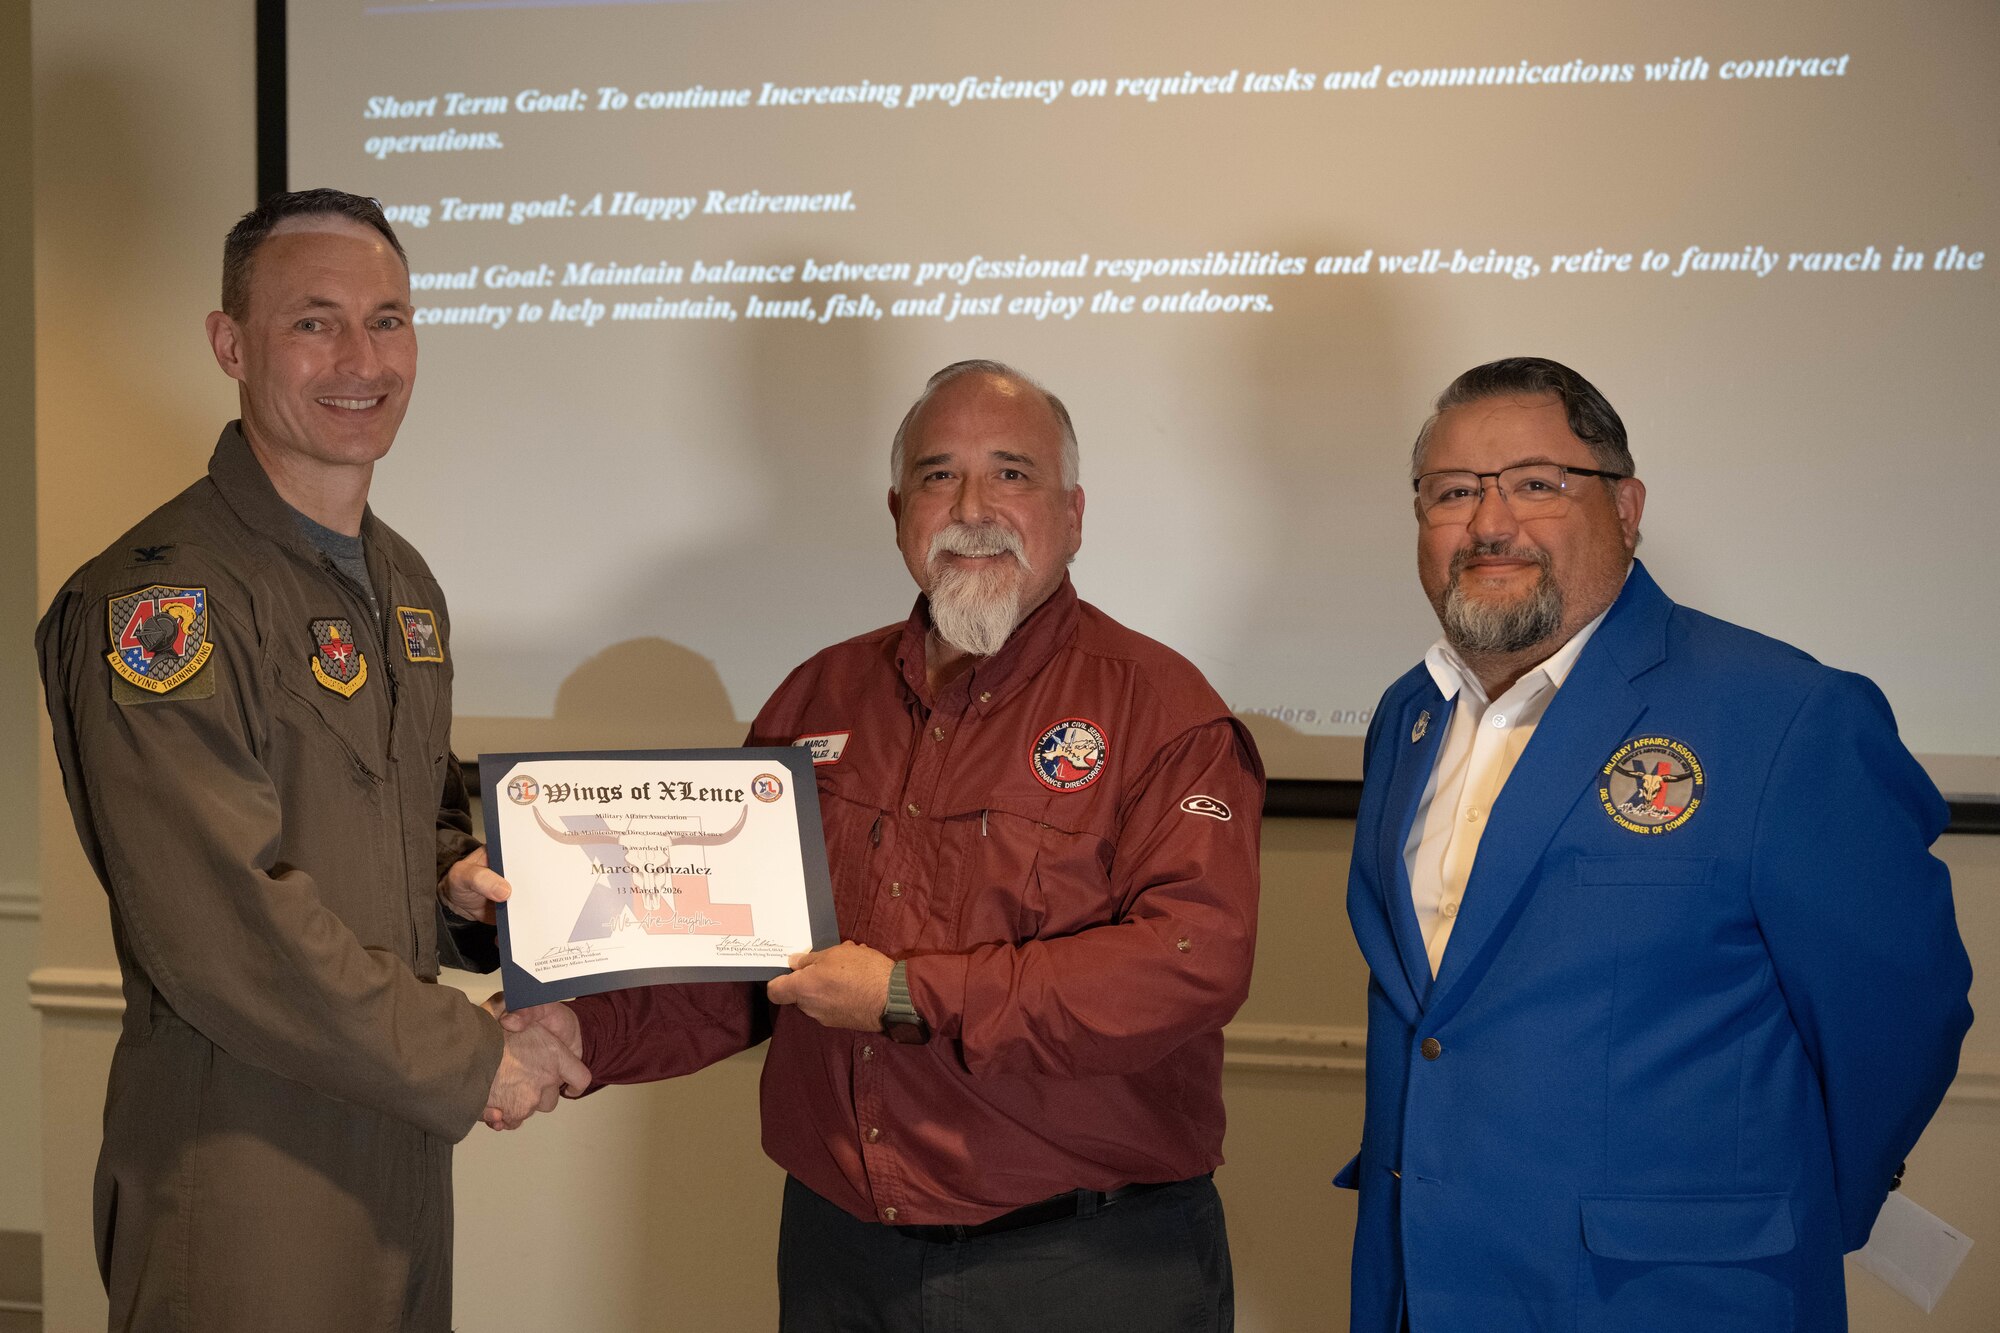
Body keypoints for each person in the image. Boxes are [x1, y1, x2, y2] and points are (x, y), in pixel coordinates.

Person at [505, 360, 1263, 1331]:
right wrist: (581, 1033)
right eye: (940, 475)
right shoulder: (815, 697)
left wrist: (910, 993)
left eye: (1012, 475)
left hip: (1081, 1267)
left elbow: (1185, 964)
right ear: (898, 506)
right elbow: (736, 958)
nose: (973, 507)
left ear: (1073, 513)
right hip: (840, 1259)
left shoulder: (1161, 710)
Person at [37, 188, 588, 1333]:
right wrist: (466, 1052)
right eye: (314, 321)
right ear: (230, 343)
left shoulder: (401, 581)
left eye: (389, 320)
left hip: (392, 1139)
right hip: (246, 1155)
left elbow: (390, 806)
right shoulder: (161, 599)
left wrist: (465, 880)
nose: (361, 358)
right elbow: (221, 923)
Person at [1338, 356, 1972, 1332]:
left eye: (1536, 484)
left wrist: (1792, 1212)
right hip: (1418, 1284)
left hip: (1669, 1297)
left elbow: (1896, 1018)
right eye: (1451, 492)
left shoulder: (1784, 716)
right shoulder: (1406, 715)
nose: (1489, 522)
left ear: (1625, 507)